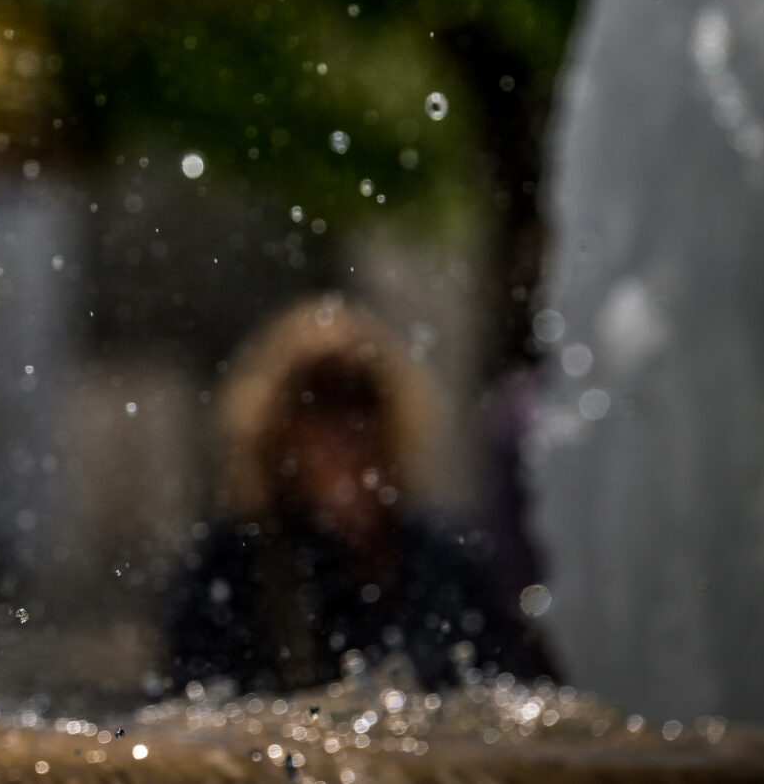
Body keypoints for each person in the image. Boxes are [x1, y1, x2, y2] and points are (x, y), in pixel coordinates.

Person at [162, 295, 553, 693]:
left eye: (361, 395)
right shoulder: (235, 568)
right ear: (276, 423)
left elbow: (514, 683)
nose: (345, 423)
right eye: (320, 397)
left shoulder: (447, 555)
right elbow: (197, 715)